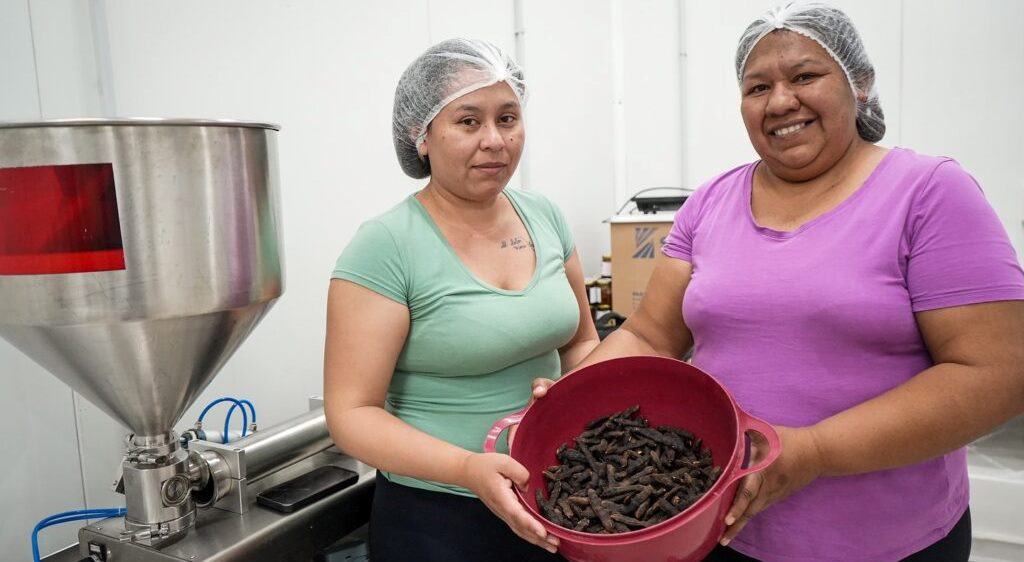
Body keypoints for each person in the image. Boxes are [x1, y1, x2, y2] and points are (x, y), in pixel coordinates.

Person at [533, 3, 1024, 561]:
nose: (781, 100)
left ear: (859, 84)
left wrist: (815, 450)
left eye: (806, 76)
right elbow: (650, 336)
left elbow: (998, 374)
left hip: (886, 539)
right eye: (757, 86)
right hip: (720, 526)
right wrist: (563, 404)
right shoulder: (711, 202)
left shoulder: (930, 193)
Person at [323, 38, 597, 561]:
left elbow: (581, 342)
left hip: (557, 492)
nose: (495, 140)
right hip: (439, 516)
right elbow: (352, 413)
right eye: (468, 122)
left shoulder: (544, 216)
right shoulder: (385, 245)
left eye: (508, 118)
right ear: (420, 135)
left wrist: (586, 391)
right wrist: (467, 469)